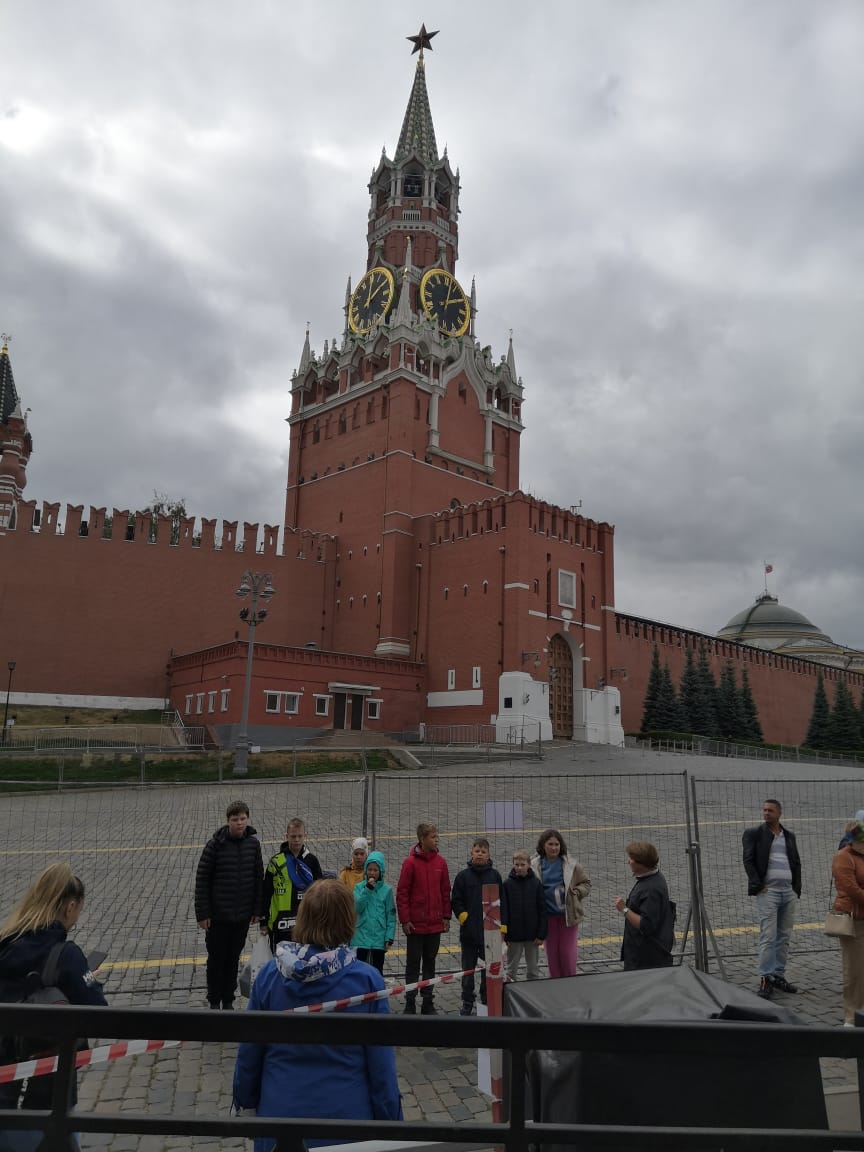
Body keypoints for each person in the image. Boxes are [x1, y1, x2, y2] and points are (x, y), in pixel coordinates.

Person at [233, 879, 402, 1150]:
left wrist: (246, 1105)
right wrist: (392, 1123)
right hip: (347, 1124)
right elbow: (381, 1070)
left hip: (280, 1119)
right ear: (348, 921)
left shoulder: (268, 976)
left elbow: (249, 1056)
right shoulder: (367, 981)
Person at [0, 864, 107, 1151]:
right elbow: (99, 1015)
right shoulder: (66, 956)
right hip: (46, 1093)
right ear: (70, 907)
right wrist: (87, 983)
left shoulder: (4, 945)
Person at [194, 799, 264, 1010]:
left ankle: (228, 1000)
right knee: (216, 960)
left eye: (243, 819)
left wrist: (256, 910)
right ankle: (214, 1000)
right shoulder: (214, 845)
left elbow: (258, 878)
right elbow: (202, 880)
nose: (239, 823)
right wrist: (203, 914)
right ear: (228, 821)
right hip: (218, 916)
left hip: (242, 916)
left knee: (233, 959)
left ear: (247, 819)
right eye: (235, 819)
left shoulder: (253, 844)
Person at [742, 798, 801, 999]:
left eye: (770, 810)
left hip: (788, 892)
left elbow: (796, 862)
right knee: (768, 936)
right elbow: (748, 860)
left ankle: (778, 975)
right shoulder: (754, 834)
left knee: (783, 936)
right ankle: (766, 978)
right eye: (764, 810)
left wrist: (795, 889)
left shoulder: (789, 836)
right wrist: (758, 886)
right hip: (769, 893)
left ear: (779, 813)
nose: (766, 813)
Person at [396, 821, 451, 1015]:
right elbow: (402, 892)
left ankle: (428, 1000)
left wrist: (446, 916)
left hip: (435, 924)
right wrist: (405, 920)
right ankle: (410, 1001)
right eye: (433, 837)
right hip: (416, 925)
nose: (437, 840)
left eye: (437, 836)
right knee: (412, 963)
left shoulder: (440, 863)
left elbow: (445, 891)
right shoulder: (409, 863)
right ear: (422, 839)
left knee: (430, 962)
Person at [451, 837, 503, 1015]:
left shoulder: (494, 876)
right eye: (477, 851)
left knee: (487, 971)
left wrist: (502, 924)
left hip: (489, 934)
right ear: (471, 853)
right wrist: (462, 914)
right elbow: (456, 899)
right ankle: (467, 1000)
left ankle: (487, 999)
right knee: (468, 970)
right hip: (469, 934)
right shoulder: (462, 877)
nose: (479, 854)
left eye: (483, 852)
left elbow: (501, 900)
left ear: (488, 855)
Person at [530, 828, 590, 978]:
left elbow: (586, 883)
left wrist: (576, 893)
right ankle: (555, 981)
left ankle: (570, 981)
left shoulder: (571, 865)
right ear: (543, 845)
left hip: (567, 916)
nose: (554, 847)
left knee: (567, 953)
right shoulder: (534, 865)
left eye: (557, 844)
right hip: (547, 917)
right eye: (550, 844)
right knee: (552, 954)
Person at [261, 816, 323, 951]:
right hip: (280, 923)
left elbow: (321, 892)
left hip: (305, 923)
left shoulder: (312, 861)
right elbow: (266, 893)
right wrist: (263, 921)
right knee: (280, 964)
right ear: (286, 836)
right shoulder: (276, 862)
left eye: (300, 836)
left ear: (305, 836)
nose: (296, 840)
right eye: (293, 836)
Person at [613, 841, 675, 970]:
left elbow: (646, 925)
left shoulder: (651, 889)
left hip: (645, 958)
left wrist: (624, 909)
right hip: (644, 954)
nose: (628, 862)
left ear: (641, 863)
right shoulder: (653, 877)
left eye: (631, 859)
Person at [832, 818, 864, 1025]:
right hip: (855, 921)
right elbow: (851, 889)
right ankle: (851, 1017)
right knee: (854, 971)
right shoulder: (843, 857)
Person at [501, 848, 547, 981]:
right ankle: (508, 995)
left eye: (522, 865)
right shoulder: (507, 885)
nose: (519, 868)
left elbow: (542, 909)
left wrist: (541, 934)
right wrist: (506, 933)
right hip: (514, 936)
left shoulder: (536, 884)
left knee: (533, 969)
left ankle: (532, 995)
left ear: (528, 865)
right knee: (511, 969)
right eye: (517, 865)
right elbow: (504, 910)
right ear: (513, 865)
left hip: (533, 936)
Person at [352, 849, 396, 974]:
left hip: (378, 939)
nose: (372, 873)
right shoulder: (359, 887)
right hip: (360, 938)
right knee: (359, 971)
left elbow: (390, 915)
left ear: (380, 872)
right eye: (369, 869)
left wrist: (389, 937)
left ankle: (377, 992)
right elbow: (357, 908)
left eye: (375, 870)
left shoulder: (387, 891)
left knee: (377, 971)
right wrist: (367, 890)